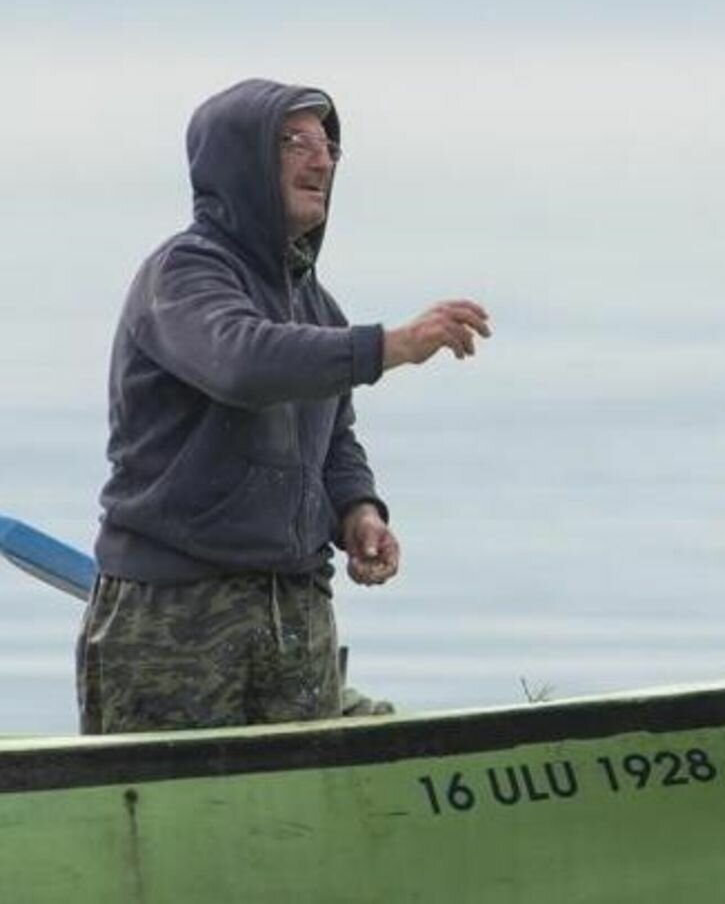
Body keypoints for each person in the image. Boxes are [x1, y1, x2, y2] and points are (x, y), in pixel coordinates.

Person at [77, 77, 490, 734]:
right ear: (238, 163)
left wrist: (358, 511)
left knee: (305, 818)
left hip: (296, 611)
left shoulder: (319, 308)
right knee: (185, 823)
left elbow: (333, 442)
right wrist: (395, 346)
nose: (320, 159)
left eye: (327, 145)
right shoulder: (183, 276)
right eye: (293, 142)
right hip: (177, 613)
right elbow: (242, 363)